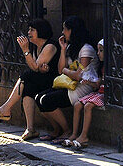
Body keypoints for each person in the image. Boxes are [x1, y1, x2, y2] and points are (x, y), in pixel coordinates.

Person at [0, 19, 59, 140]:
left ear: (41, 31)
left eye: (32, 30)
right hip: (41, 79)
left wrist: (25, 50)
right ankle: (30, 129)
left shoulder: (50, 46)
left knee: (27, 76)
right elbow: (35, 67)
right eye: (29, 29)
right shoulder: (35, 47)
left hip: (53, 81)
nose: (29, 32)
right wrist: (28, 51)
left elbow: (34, 67)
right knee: (27, 87)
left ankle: (5, 109)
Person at [32, 16, 97, 148]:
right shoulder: (71, 47)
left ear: (73, 31)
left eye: (65, 29)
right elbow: (60, 68)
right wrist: (62, 49)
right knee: (39, 98)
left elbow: (79, 76)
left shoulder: (87, 49)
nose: (63, 32)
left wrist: (66, 71)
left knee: (47, 100)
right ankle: (57, 130)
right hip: (69, 84)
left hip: (82, 87)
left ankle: (66, 131)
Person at [64, 38, 105, 148]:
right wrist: (90, 83)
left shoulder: (110, 68)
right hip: (98, 91)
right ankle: (74, 134)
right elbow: (97, 84)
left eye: (101, 51)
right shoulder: (101, 68)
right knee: (77, 105)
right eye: (98, 50)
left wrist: (95, 84)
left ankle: (84, 136)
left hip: (104, 94)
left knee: (88, 106)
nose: (98, 54)